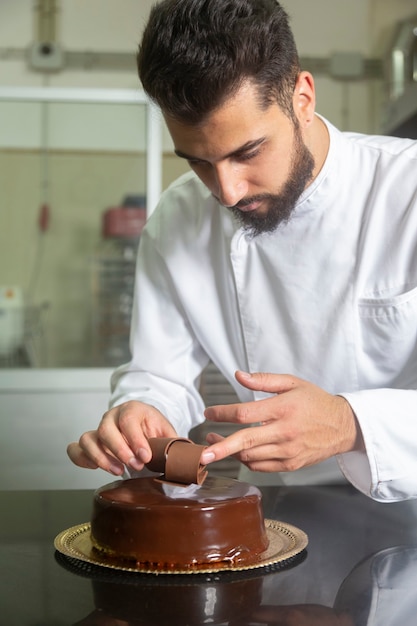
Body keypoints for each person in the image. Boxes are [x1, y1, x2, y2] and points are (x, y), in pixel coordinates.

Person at [67, 0, 417, 502]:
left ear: (302, 97)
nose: (227, 192)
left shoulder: (407, 192)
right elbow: (159, 372)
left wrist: (348, 423)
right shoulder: (179, 219)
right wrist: (141, 410)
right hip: (270, 508)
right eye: (199, 162)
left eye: (247, 152)